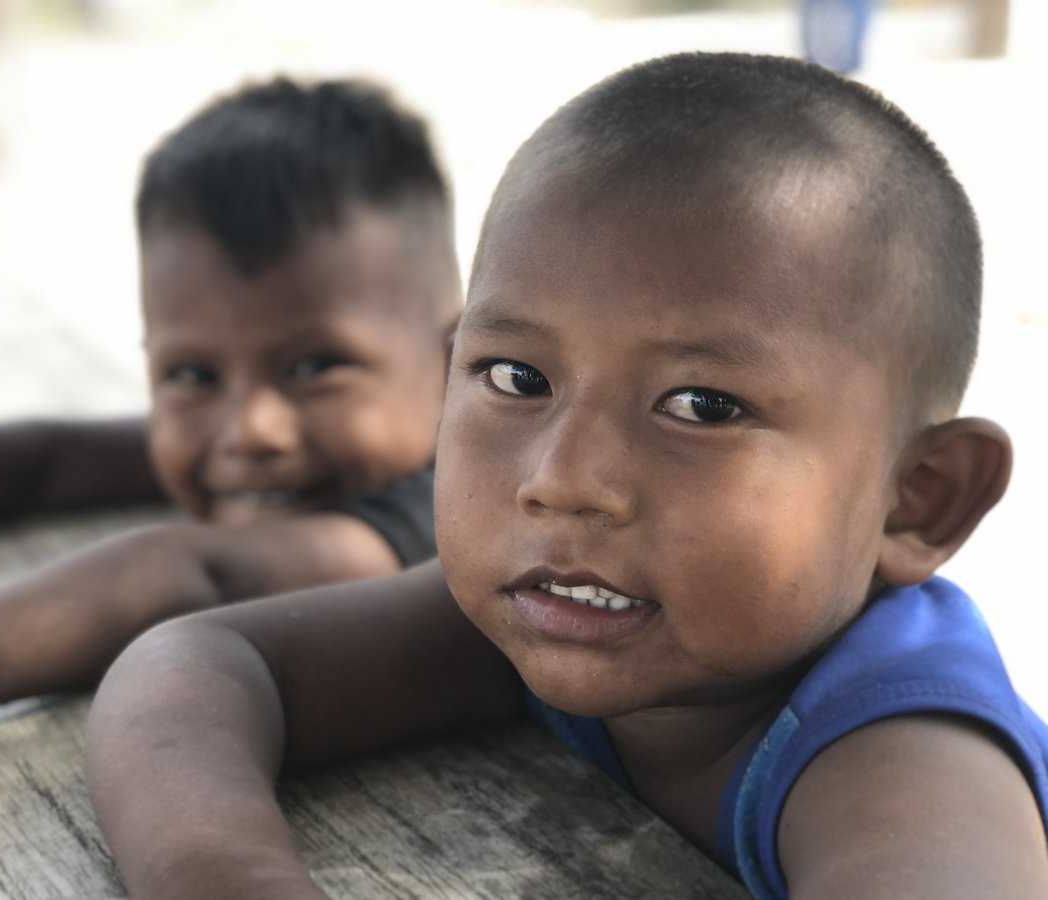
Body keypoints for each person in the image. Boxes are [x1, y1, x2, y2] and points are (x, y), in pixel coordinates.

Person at [84, 52, 1048, 900]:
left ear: (922, 497)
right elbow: (188, 670)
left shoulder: (912, 766)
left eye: (703, 406)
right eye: (517, 378)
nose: (565, 479)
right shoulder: (557, 608)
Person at [0, 77, 459, 770]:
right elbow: (43, 458)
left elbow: (199, 575)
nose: (251, 429)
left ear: (455, 357)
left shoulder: (458, 500)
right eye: (194, 375)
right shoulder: (270, 443)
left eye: (318, 366)